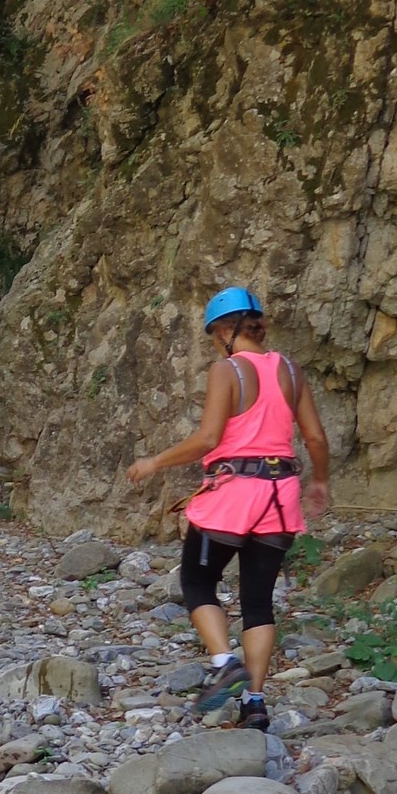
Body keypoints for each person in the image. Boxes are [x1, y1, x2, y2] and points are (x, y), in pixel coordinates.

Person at [125, 287, 330, 732]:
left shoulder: (227, 370)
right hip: (280, 497)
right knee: (258, 602)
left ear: (223, 331)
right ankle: (255, 703)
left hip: (233, 494)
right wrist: (320, 481)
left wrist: (154, 462)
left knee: (198, 580)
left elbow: (208, 439)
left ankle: (225, 663)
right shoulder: (291, 371)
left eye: (214, 336)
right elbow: (315, 437)